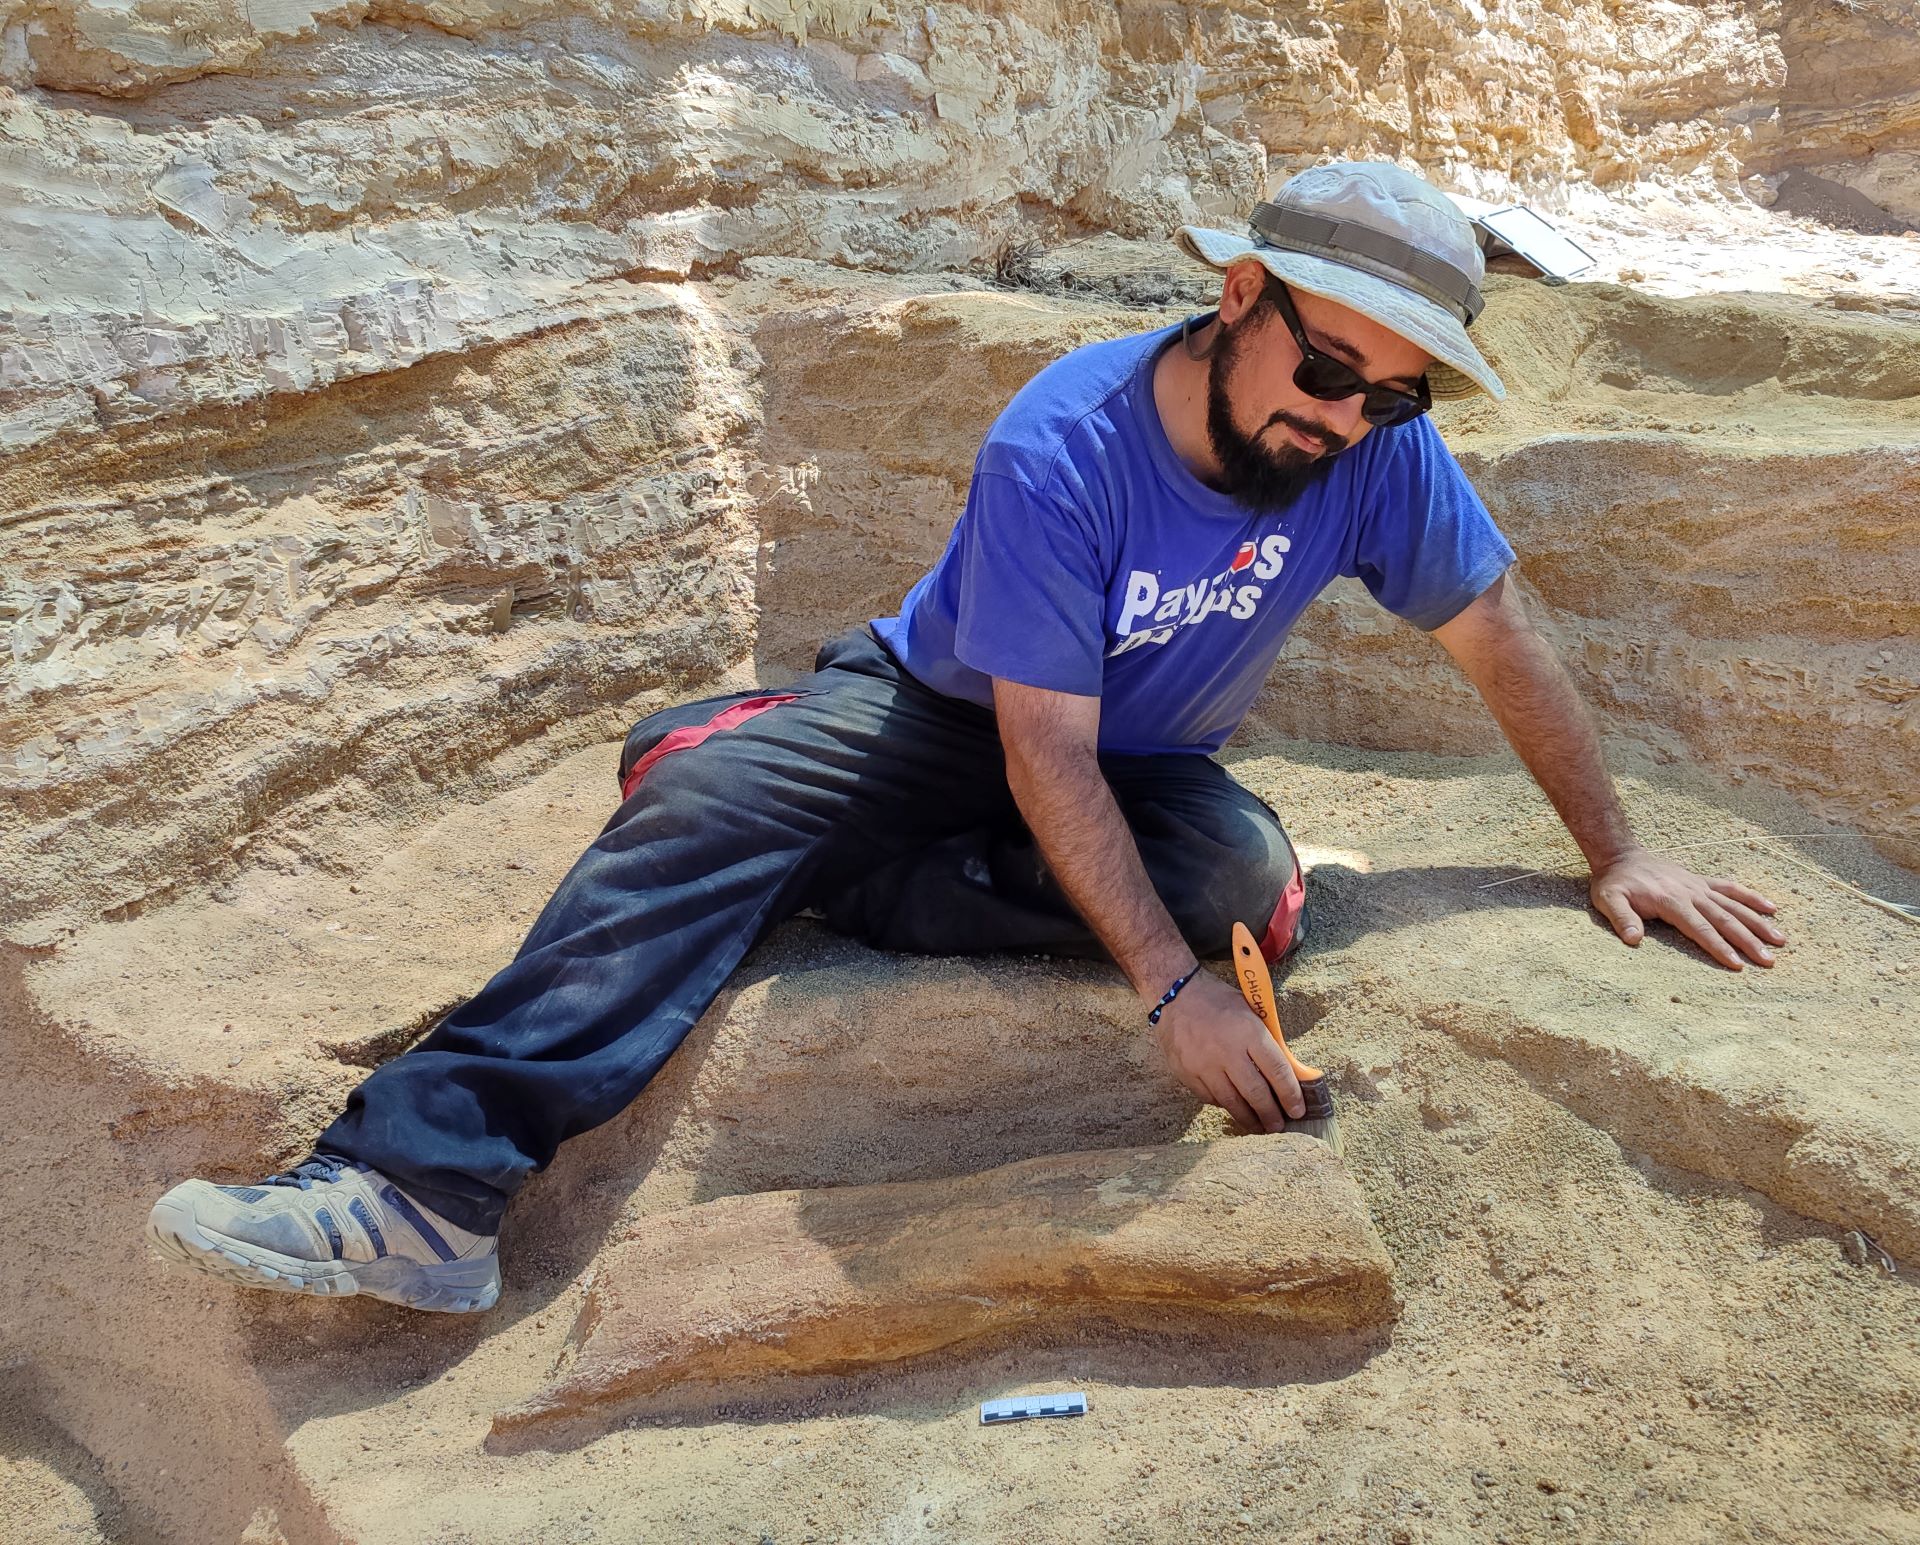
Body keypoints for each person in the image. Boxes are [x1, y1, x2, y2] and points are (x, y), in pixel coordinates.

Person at [147, 162, 1785, 1314]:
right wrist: (1167, 990)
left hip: (1142, 759)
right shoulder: (1060, 443)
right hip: (946, 705)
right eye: (1329, 364)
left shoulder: (1367, 455)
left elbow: (1502, 637)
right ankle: (424, 1188)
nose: (1346, 416)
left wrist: (1619, 849)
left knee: (1255, 883)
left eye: (1395, 398)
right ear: (1239, 296)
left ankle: (832, 865)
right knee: (711, 810)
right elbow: (1042, 755)